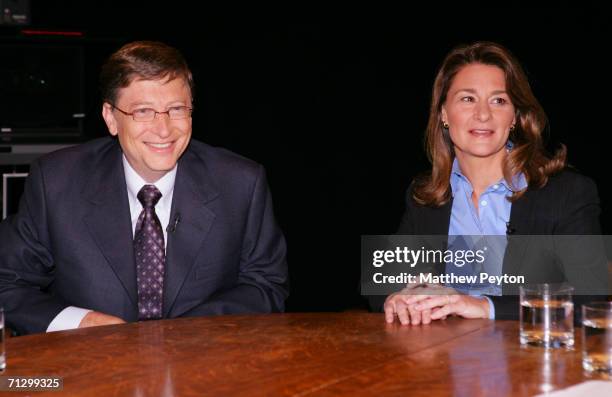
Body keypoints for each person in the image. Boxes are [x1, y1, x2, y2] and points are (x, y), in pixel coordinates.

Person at [0, 41, 289, 335]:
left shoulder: (240, 183)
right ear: (111, 118)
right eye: (143, 112)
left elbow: (265, 285)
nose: (164, 130)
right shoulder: (57, 183)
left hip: (205, 368)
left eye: (176, 109)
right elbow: (5, 282)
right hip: (90, 371)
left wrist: (179, 334)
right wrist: (82, 324)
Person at [376, 41, 607, 325]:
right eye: (467, 99)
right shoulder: (425, 196)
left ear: (514, 117)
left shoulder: (567, 193)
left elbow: (591, 298)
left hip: (532, 358)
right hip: (443, 362)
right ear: (444, 114)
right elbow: (381, 279)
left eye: (499, 100)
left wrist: (485, 307)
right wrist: (395, 297)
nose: (483, 114)